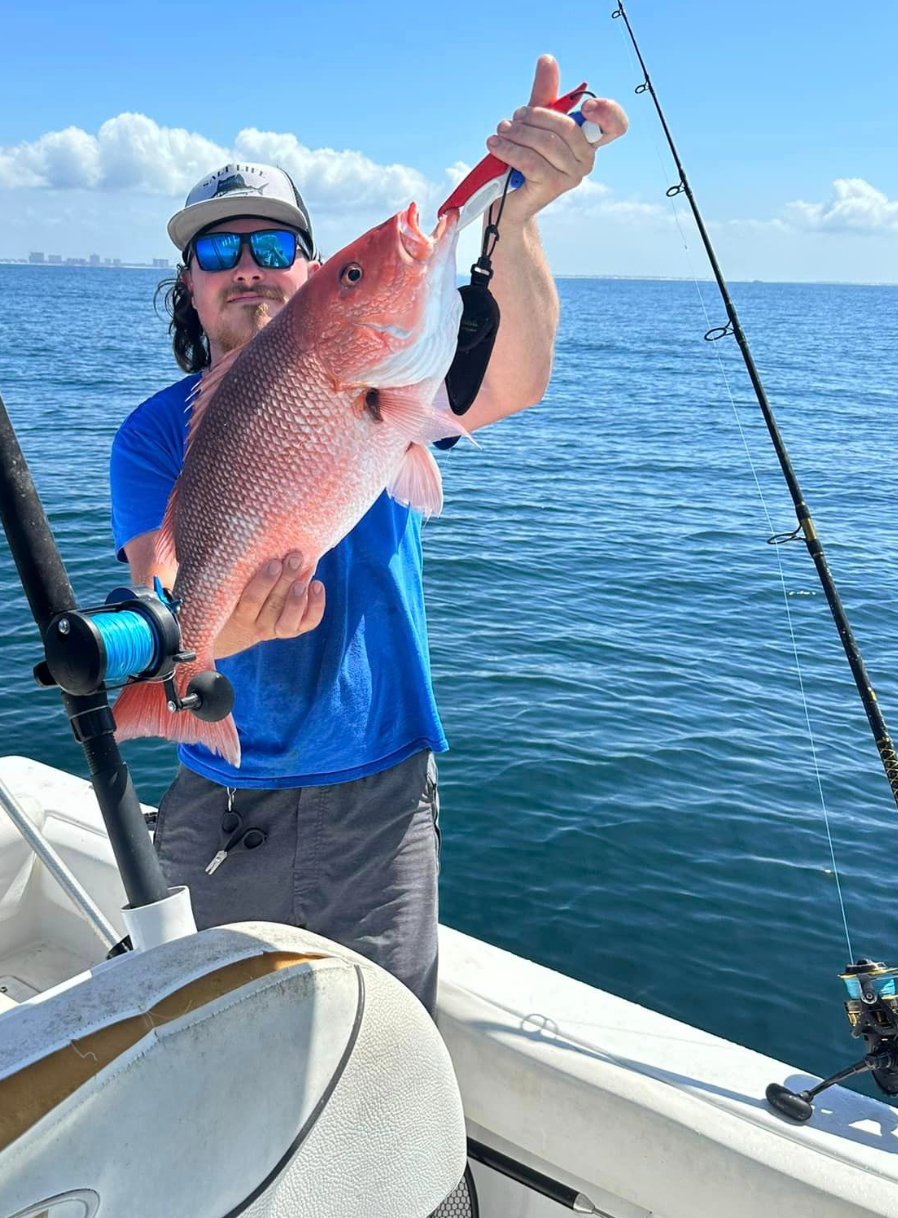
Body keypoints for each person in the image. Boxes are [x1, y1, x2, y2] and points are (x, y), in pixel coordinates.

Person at [110, 57, 627, 1010]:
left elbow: (517, 380)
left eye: (274, 247)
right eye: (217, 255)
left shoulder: (397, 386)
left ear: (305, 275)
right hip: (215, 795)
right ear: (188, 286)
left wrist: (515, 218)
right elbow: (165, 613)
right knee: (202, 1048)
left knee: (383, 1053)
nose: (248, 269)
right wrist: (228, 639)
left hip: (382, 796)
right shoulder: (154, 436)